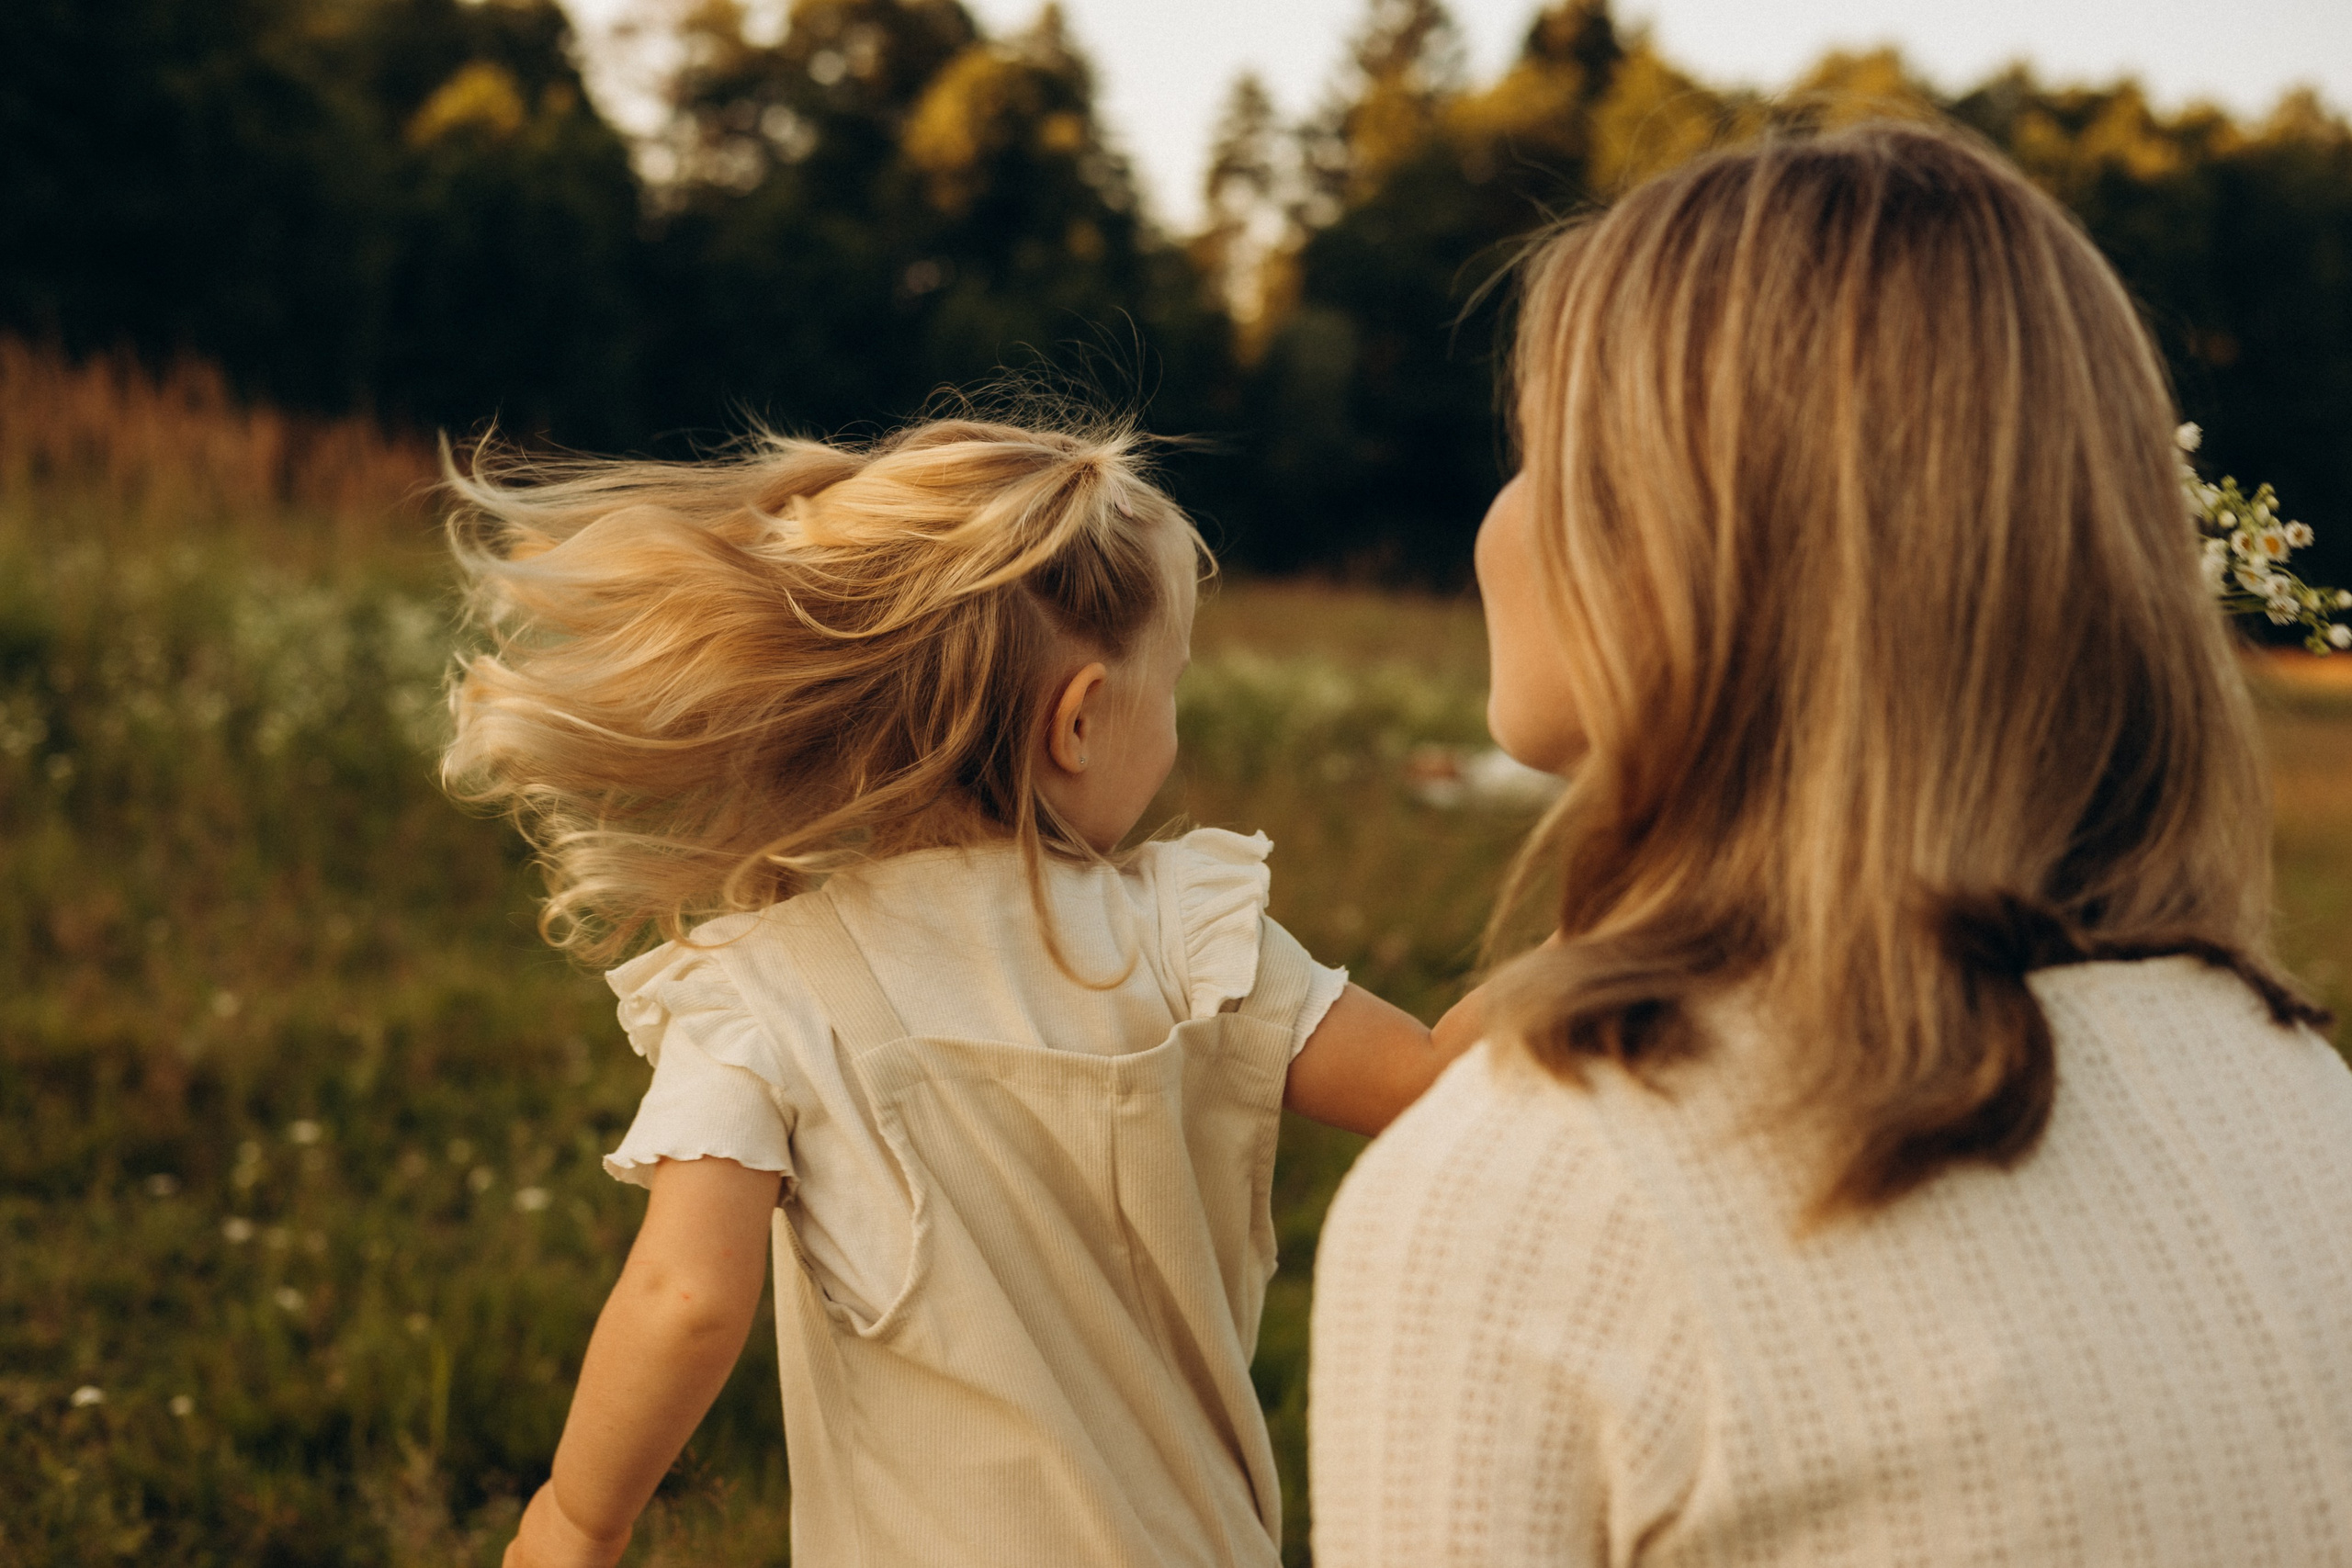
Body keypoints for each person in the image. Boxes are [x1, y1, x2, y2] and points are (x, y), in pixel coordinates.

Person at [1309, 121, 2352, 1566]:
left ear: (1685, 539)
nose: (1500, 515)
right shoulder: (2292, 1088)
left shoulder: (1523, 1197)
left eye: (1540, 448)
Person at [439, 416, 1452, 1568]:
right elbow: (1437, 1085)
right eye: (1169, 689)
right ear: (1076, 720)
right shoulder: (1188, 935)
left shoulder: (761, 1000)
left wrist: (577, 1520)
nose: (1170, 726)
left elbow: (683, 1299)